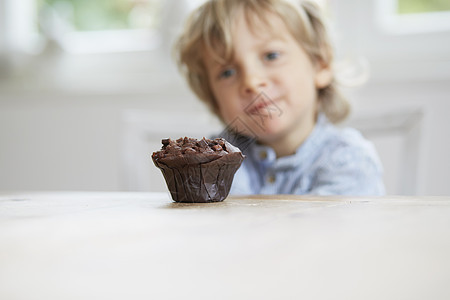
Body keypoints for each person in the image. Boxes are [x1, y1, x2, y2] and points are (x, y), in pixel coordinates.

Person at [174, 0, 385, 195]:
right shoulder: (212, 159)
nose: (251, 81)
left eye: (271, 56)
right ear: (214, 99)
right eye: (227, 72)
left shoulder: (349, 161)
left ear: (320, 63)